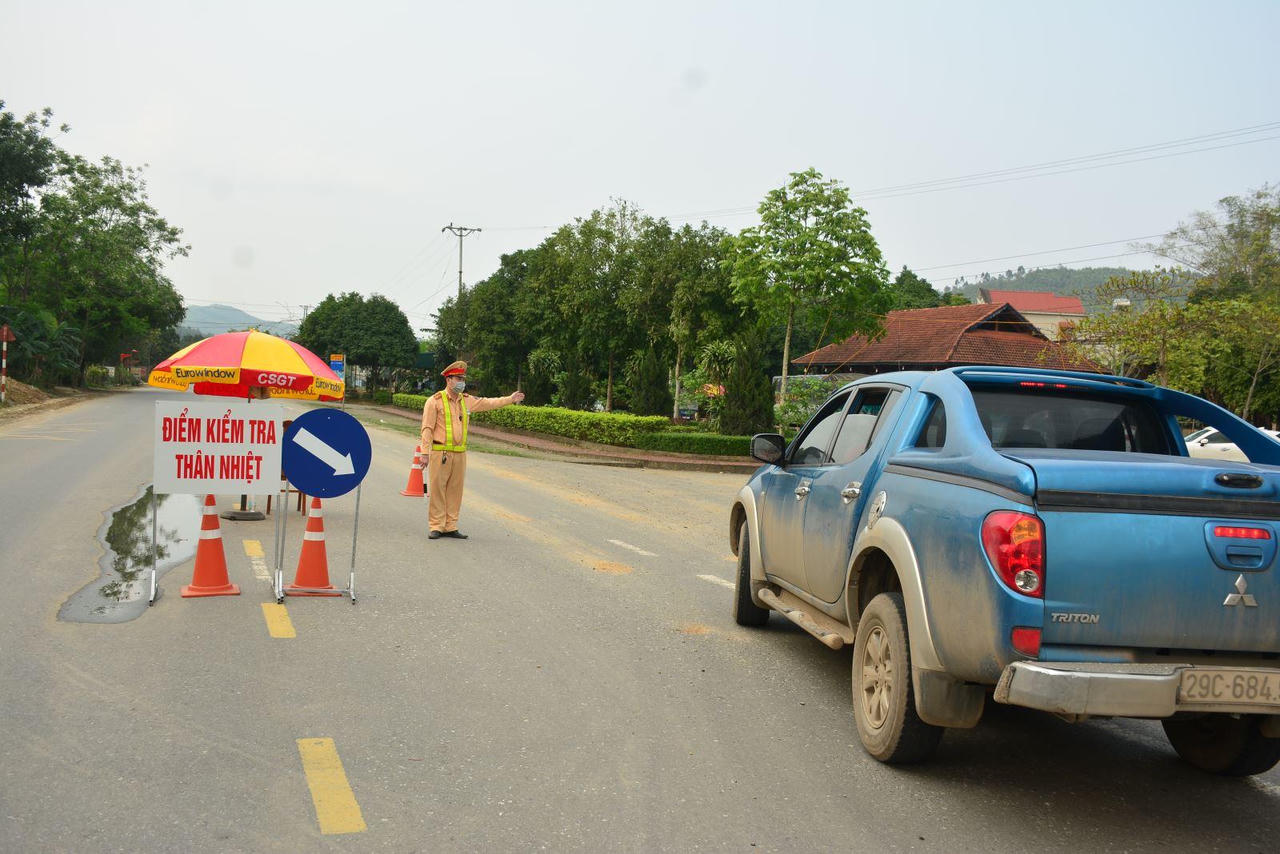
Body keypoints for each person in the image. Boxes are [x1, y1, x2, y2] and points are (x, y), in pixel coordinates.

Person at [419, 360, 524, 539]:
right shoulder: (434, 401)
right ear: (448, 380)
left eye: (463, 378)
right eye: (458, 378)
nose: (462, 382)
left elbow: (487, 403)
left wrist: (509, 399)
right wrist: (424, 453)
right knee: (438, 490)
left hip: (459, 453)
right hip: (440, 452)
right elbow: (427, 428)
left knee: (455, 491)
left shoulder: (466, 401)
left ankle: (451, 525)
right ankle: (436, 525)